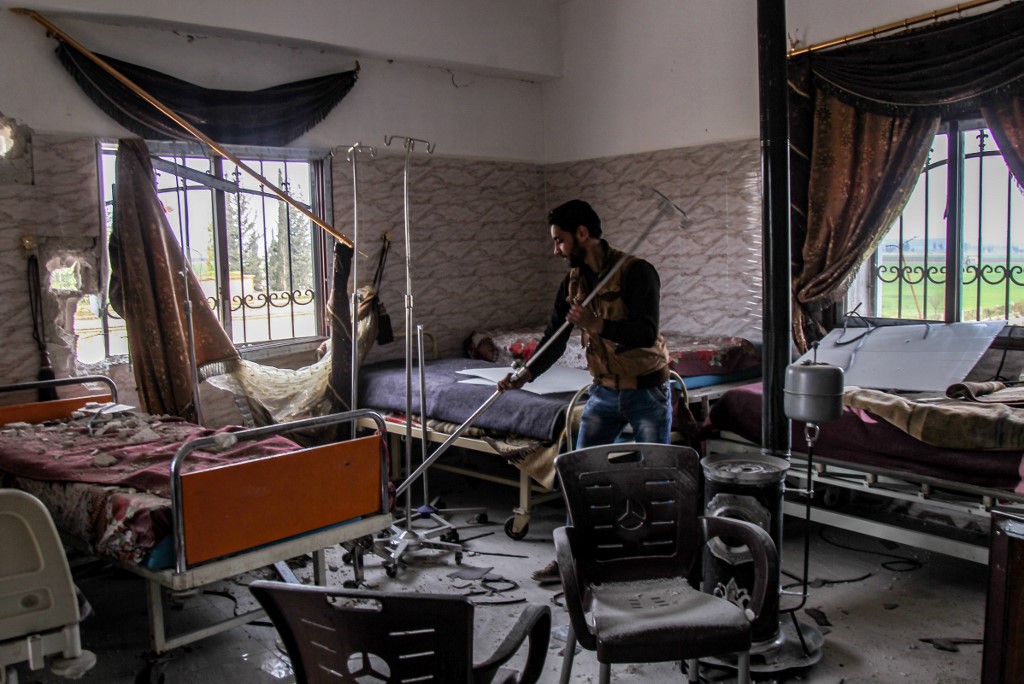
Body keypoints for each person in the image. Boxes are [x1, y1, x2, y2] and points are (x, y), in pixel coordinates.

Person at [498, 199, 673, 584]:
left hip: (647, 394)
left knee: (652, 482)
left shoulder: (637, 272)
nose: (556, 249)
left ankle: (652, 564)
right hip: (604, 394)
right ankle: (572, 559)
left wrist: (597, 324)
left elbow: (645, 332)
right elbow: (554, 339)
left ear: (582, 234)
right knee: (580, 477)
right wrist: (524, 375)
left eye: (559, 241)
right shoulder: (573, 282)